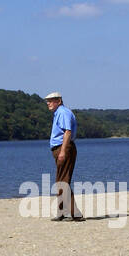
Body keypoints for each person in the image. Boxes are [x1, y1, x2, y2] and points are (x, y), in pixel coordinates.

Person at [44, 92, 82, 221]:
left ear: (59, 100)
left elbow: (68, 132)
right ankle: (62, 212)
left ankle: (74, 214)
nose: (48, 103)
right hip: (60, 148)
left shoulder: (63, 112)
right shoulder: (59, 113)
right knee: (61, 181)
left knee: (63, 182)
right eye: (47, 101)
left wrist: (63, 151)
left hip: (63, 147)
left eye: (51, 100)